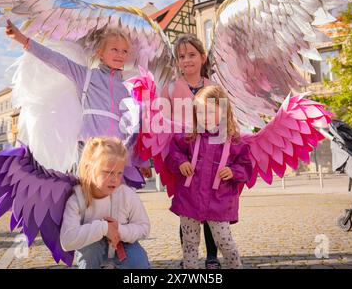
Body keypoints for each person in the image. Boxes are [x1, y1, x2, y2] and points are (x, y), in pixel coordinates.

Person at [5, 20, 152, 187]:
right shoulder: (87, 77)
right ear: (100, 53)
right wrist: (23, 40)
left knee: (113, 199)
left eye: (124, 51)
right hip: (89, 148)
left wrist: (142, 161)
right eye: (114, 49)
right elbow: (57, 60)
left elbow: (132, 129)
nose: (120, 54)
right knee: (86, 195)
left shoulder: (127, 89)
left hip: (116, 153)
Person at [166, 85, 252, 269]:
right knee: (189, 243)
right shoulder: (189, 136)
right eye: (201, 112)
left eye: (211, 111)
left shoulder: (234, 141)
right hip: (190, 199)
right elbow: (173, 153)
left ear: (223, 111)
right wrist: (181, 162)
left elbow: (245, 166)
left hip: (218, 202)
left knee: (225, 242)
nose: (205, 117)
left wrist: (233, 171)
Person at [161, 34, 221, 268]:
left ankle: (212, 256)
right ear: (177, 62)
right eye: (182, 56)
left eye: (192, 55)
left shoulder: (213, 88)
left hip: (211, 156)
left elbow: (224, 119)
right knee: (188, 208)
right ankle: (189, 258)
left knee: (211, 206)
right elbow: (161, 122)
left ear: (203, 57)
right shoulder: (170, 89)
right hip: (183, 157)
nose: (187, 60)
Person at [60, 136, 150, 269]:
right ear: (90, 169)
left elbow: (144, 227)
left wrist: (120, 230)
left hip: (123, 245)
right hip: (92, 249)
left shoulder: (126, 194)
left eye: (119, 173)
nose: (115, 179)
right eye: (108, 172)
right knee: (91, 249)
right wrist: (104, 228)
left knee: (138, 261)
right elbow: (67, 240)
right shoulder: (77, 199)